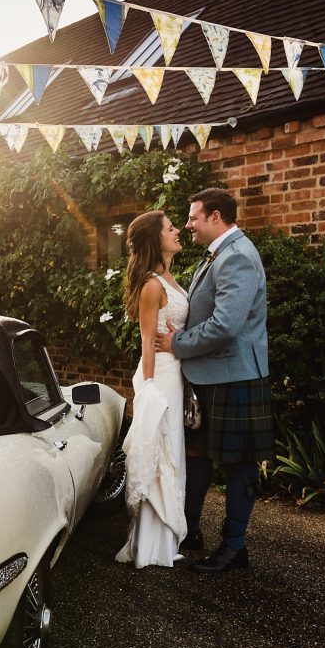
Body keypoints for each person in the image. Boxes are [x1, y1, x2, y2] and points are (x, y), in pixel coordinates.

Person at [156, 188, 272, 572]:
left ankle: (234, 547)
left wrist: (178, 342)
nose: (187, 224)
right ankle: (189, 530)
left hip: (234, 376)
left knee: (240, 464)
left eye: (193, 217)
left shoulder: (237, 256)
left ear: (215, 217)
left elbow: (226, 325)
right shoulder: (221, 252)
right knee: (197, 454)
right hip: (212, 375)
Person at [115, 210, 188, 568]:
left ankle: (167, 537)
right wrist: (147, 391)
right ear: (155, 239)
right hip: (159, 376)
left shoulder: (169, 277)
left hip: (175, 373)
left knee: (172, 450)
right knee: (160, 452)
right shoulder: (151, 285)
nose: (177, 232)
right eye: (171, 228)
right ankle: (152, 544)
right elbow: (146, 342)